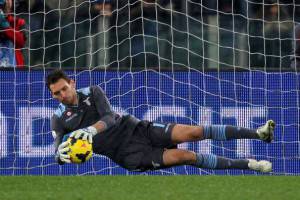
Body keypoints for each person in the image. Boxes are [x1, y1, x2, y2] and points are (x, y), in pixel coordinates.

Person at [47, 69, 275, 173]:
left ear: (73, 83)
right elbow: (57, 149)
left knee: (194, 133)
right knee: (186, 156)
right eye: (56, 93)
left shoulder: (93, 92)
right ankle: (249, 165)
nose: (62, 95)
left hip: (137, 129)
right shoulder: (58, 120)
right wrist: (60, 155)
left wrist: (90, 131)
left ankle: (258, 134)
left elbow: (109, 117)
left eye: (64, 89)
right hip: (129, 155)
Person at [0, 0, 26, 68]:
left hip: (14, 71)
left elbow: (21, 42)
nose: (5, 3)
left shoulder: (18, 22)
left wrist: (5, 26)